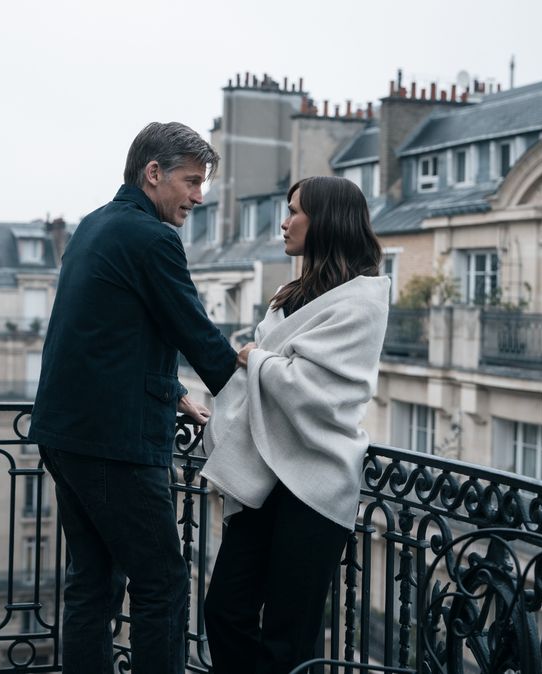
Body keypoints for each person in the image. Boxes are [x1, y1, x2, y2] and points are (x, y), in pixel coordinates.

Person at [28, 121, 240, 674]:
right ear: (154, 174)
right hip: (114, 443)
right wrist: (253, 384)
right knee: (163, 586)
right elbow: (197, 335)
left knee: (92, 584)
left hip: (65, 433)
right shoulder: (153, 238)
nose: (199, 196)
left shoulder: (95, 225)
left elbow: (103, 336)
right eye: (191, 182)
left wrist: (170, 390)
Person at [200, 176, 389, 674]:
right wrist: (260, 362)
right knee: (223, 610)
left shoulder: (363, 302)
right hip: (265, 473)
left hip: (316, 483)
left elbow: (322, 394)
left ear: (324, 221)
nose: (284, 222)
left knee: (289, 636)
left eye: (295, 212)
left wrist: (257, 358)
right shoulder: (289, 296)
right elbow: (271, 374)